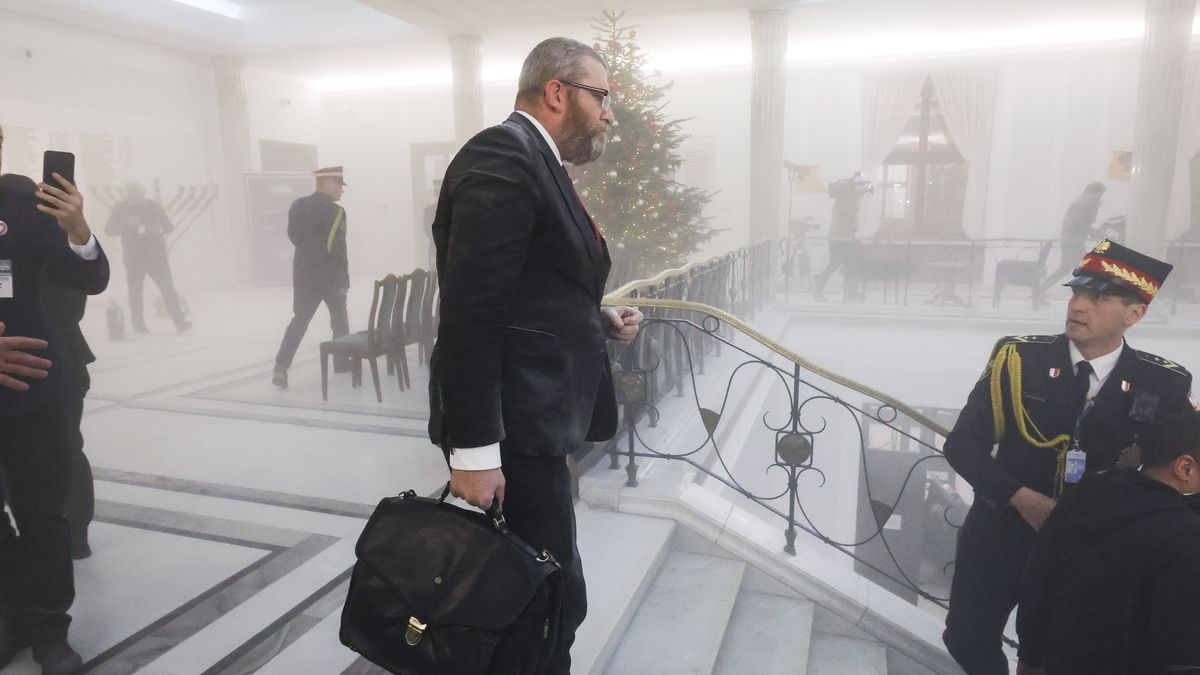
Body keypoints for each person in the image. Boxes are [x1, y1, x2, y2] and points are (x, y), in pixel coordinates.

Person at [428, 37, 642, 673]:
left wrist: (593, 318)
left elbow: (525, 286)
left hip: (533, 424)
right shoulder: (504, 154)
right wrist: (472, 456)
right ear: (557, 92)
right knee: (538, 606)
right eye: (600, 96)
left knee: (547, 600)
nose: (608, 114)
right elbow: (471, 315)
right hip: (512, 438)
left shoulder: (535, 159)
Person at [941, 239, 1193, 675]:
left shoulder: (1163, 380)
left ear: (1134, 314)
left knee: (1055, 653)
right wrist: (1021, 498)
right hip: (1004, 527)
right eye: (1076, 293)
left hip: (1093, 545)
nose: (1078, 305)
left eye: (1098, 298)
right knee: (966, 634)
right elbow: (963, 444)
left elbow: (1171, 466)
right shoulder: (1019, 358)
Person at [0, 124, 111, 674]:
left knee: (43, 517)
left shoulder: (25, 205)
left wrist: (77, 227)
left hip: (34, 393)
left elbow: (88, 278)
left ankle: (48, 630)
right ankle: (11, 620)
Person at [1016, 410, 1200, 674]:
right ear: (1185, 468)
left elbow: (1039, 580)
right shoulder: (1186, 535)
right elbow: (1183, 644)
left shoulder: (1084, 496)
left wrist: (1030, 656)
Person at [1, 172, 96, 559]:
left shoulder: (38, 247)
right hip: (66, 359)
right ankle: (74, 538)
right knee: (68, 450)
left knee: (51, 455)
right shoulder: (54, 242)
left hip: (41, 362)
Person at [272, 166, 351, 388]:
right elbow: (338, 249)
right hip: (330, 277)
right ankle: (342, 364)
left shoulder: (297, 206)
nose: (342, 192)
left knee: (299, 321)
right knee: (339, 321)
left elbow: (294, 237)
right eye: (339, 186)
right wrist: (343, 281)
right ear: (328, 184)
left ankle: (281, 366)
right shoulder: (337, 213)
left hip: (304, 276)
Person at [104, 181, 191, 333]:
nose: (134, 198)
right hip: (133, 258)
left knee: (168, 289)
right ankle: (139, 324)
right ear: (126, 195)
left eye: (137, 194)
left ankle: (180, 322)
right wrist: (126, 224)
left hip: (157, 257)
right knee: (135, 291)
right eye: (130, 195)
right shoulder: (120, 208)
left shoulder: (153, 206)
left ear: (143, 193)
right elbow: (109, 230)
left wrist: (158, 228)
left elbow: (168, 227)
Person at [813, 172, 871, 302]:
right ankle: (820, 290)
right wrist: (860, 192)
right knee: (841, 263)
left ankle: (849, 291)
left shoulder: (846, 199)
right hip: (841, 238)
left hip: (843, 237)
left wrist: (860, 191)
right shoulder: (846, 200)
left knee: (846, 263)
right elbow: (850, 210)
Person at [1040, 182, 1106, 293]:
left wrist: (1091, 232)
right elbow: (1077, 224)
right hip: (1073, 242)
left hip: (1071, 241)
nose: (1099, 197)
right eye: (1099, 194)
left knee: (1066, 269)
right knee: (1087, 269)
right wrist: (1092, 232)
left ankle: (1041, 290)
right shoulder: (1083, 204)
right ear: (1090, 191)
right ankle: (1088, 296)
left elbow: (1081, 223)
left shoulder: (1084, 203)